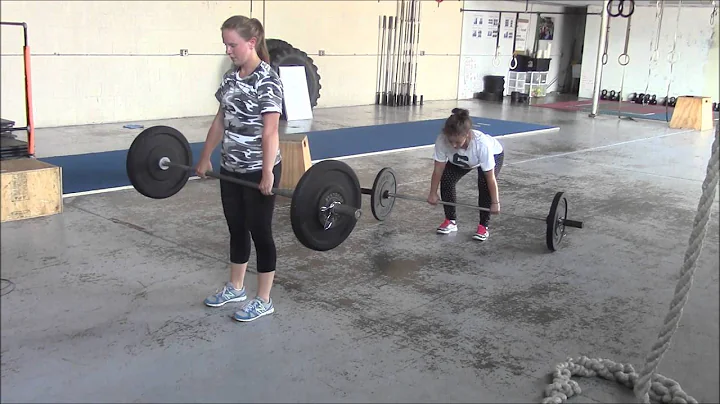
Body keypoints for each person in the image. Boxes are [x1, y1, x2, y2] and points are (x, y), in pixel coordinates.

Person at [195, 15, 284, 322]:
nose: (228, 51)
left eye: (232, 45)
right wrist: (206, 156)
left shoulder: (268, 80)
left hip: (259, 169)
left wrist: (268, 173)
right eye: (225, 45)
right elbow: (220, 120)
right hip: (230, 167)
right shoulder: (231, 78)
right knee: (236, 227)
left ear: (251, 43)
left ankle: (264, 298)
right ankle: (235, 287)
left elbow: (270, 131)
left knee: (260, 231)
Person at [427, 108, 504, 241]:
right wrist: (433, 192)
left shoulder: (481, 145)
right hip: (464, 160)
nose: (453, 145)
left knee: (484, 183)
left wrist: (495, 202)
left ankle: (483, 226)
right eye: (451, 141)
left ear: (467, 134)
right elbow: (438, 169)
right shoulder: (442, 140)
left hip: (493, 154)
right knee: (447, 179)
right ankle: (450, 221)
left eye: (457, 142)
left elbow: (490, 178)